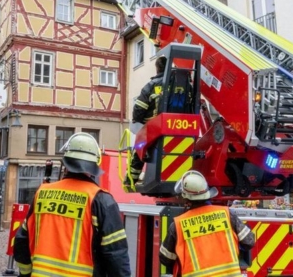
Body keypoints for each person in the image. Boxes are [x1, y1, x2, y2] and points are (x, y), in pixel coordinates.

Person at [14, 132, 131, 277]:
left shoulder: (41, 194)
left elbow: (21, 242)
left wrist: (25, 273)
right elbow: (116, 256)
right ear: (94, 166)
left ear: (66, 163)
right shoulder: (102, 200)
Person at [159, 170, 255, 277]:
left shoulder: (178, 225)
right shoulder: (227, 215)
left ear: (185, 197)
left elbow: (166, 259)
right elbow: (249, 241)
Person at [124, 56, 167, 187]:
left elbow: (139, 108)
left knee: (139, 149)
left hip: (154, 129)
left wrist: (138, 123)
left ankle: (131, 180)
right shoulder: (182, 84)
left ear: (157, 68)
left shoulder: (151, 86)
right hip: (180, 127)